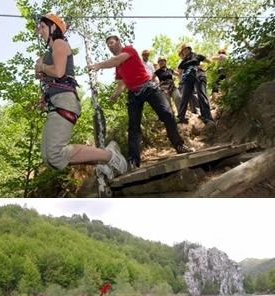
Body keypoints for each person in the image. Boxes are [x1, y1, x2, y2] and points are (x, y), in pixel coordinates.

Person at [33, 14, 127, 177]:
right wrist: (43, 96)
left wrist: (42, 66)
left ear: (53, 27)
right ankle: (102, 161)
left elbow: (59, 72)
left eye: (42, 26)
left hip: (64, 102)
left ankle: (109, 155)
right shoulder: (50, 50)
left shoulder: (59, 43)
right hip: (56, 102)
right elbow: (50, 77)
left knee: (54, 155)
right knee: (48, 157)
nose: (39, 30)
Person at [87, 35, 193, 169]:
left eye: (111, 43)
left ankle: (179, 145)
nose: (110, 46)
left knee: (167, 113)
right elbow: (121, 85)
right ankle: (133, 161)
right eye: (108, 45)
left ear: (119, 42)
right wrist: (114, 96)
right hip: (133, 94)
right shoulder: (118, 67)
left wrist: (97, 65)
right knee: (133, 127)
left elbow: (117, 59)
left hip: (148, 87)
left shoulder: (129, 50)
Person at [176, 44, 213, 124]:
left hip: (199, 74)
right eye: (183, 50)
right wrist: (181, 80)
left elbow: (209, 61)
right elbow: (179, 72)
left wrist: (209, 68)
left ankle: (207, 117)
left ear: (190, 49)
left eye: (186, 49)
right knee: (184, 97)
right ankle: (180, 117)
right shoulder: (183, 62)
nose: (185, 51)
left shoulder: (197, 56)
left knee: (201, 95)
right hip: (188, 78)